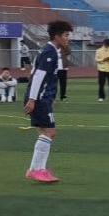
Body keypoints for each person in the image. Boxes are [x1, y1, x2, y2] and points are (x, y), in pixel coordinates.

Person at [23, 20, 72, 183]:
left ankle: (36, 169)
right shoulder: (50, 52)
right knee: (50, 132)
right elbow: (38, 76)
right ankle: (37, 169)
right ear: (57, 36)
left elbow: (36, 73)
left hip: (41, 97)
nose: (68, 38)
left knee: (45, 132)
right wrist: (33, 99)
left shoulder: (51, 51)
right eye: (66, 35)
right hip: (39, 99)